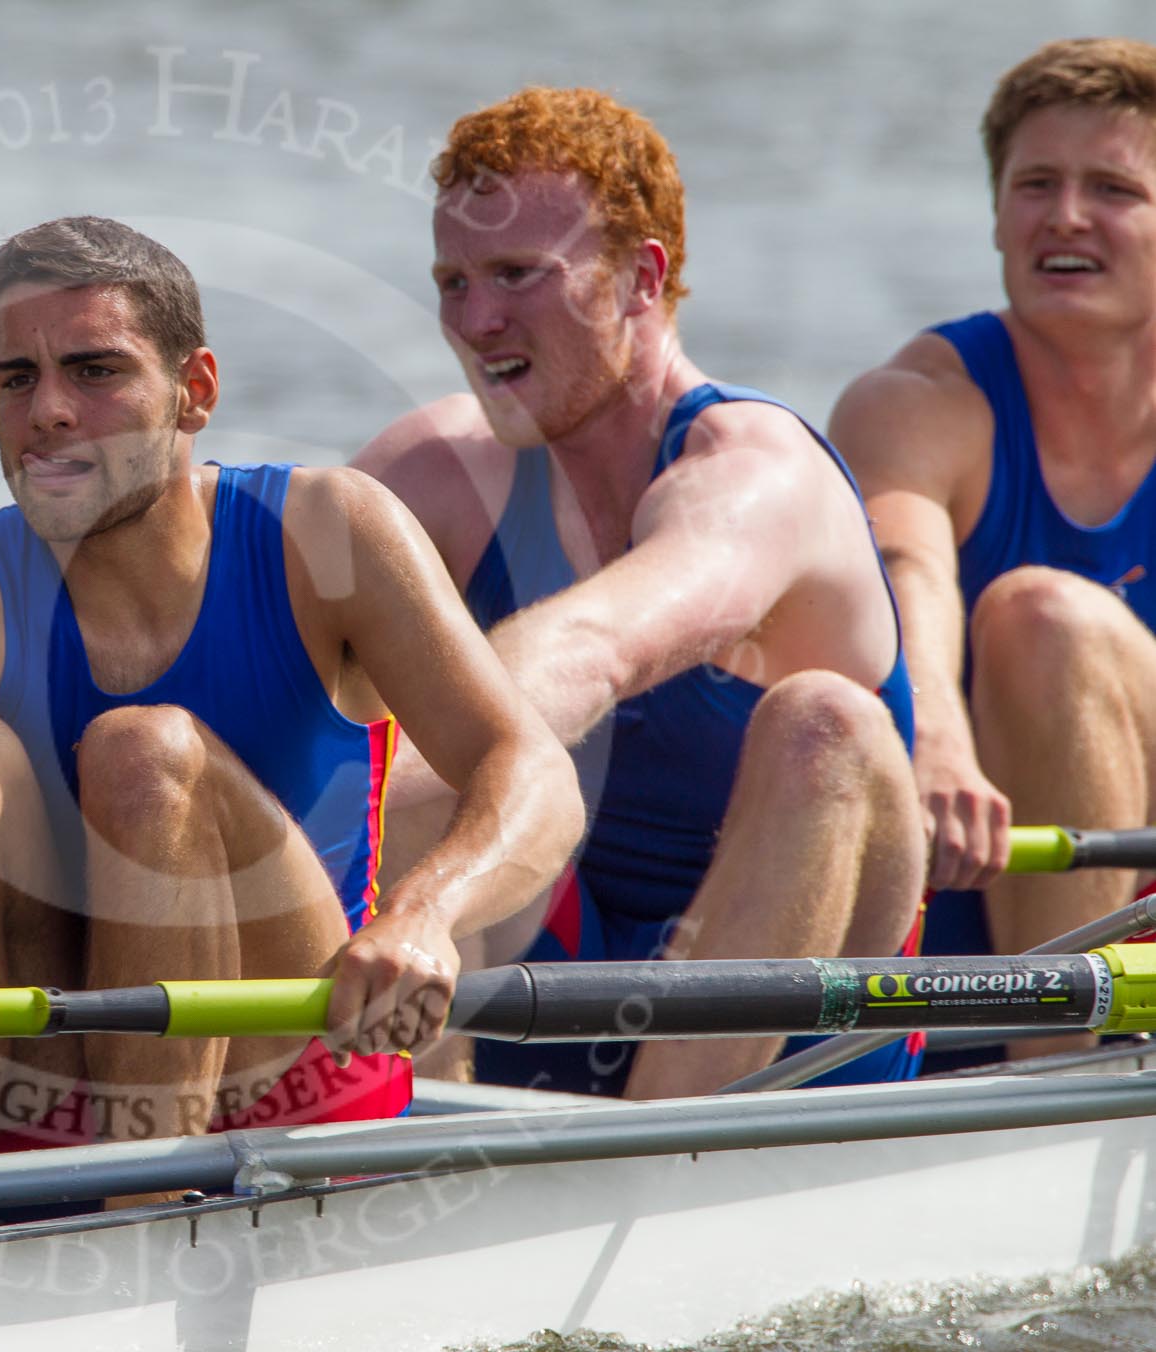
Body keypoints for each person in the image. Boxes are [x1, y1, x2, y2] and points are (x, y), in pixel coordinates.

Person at [0, 216, 581, 1213]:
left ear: (197, 391)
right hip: (46, 1079)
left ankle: (136, 1236)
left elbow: (532, 771)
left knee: (145, 750)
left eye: (96, 372)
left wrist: (427, 913)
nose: (48, 411)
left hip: (296, 1069)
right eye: (16, 379)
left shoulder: (328, 535)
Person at [354, 87, 925, 1098]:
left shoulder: (756, 471)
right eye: (453, 279)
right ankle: (404, 1157)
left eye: (518, 275)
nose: (475, 319)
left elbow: (599, 648)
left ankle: (654, 1172)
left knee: (823, 719)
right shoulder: (436, 471)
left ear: (640, 277)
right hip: (557, 985)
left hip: (799, 1031)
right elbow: (253, 645)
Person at [830, 38, 1156, 1060]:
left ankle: (1056, 1075)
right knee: (1033, 615)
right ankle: (1046, 1082)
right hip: (972, 875)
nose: (1065, 215)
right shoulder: (918, 404)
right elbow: (906, 569)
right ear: (997, 215)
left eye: (1112, 187)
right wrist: (932, 733)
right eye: (1035, 185)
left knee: (1043, 617)